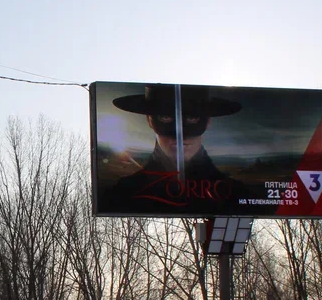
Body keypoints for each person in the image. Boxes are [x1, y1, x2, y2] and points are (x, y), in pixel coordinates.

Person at [98, 84, 245, 214]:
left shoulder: (237, 196)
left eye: (192, 118)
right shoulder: (120, 196)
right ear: (149, 120)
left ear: (208, 121)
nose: (180, 135)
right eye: (165, 117)